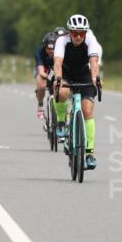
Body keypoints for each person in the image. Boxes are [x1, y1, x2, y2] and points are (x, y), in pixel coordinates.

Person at [52, 14, 102, 170]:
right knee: (61, 93)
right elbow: (58, 63)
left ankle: (89, 153)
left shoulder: (90, 40)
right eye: (75, 33)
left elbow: (94, 62)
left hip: (83, 73)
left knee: (87, 110)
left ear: (86, 33)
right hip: (66, 73)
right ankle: (61, 121)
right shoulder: (62, 41)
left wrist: (95, 78)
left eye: (82, 33)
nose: (79, 36)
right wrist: (58, 79)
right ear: (69, 32)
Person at [34, 32, 57, 119]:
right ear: (45, 46)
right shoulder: (39, 52)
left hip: (54, 69)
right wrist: (49, 77)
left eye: (53, 48)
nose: (51, 51)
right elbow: (41, 72)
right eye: (48, 48)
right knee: (41, 85)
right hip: (43, 69)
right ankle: (40, 106)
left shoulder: (60, 51)